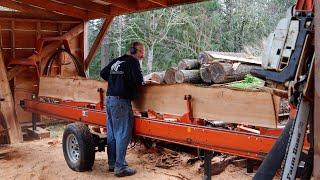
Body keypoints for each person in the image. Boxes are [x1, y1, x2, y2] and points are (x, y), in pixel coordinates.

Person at [100, 42, 145, 177]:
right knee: (122, 134)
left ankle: (112, 163)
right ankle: (120, 168)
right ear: (134, 51)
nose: (142, 55)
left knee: (113, 134)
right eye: (141, 52)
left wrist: (117, 80)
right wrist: (128, 83)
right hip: (121, 102)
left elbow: (103, 73)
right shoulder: (133, 62)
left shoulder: (117, 61)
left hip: (109, 100)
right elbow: (139, 82)